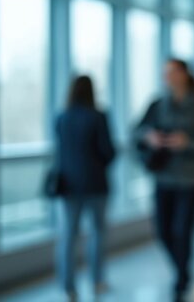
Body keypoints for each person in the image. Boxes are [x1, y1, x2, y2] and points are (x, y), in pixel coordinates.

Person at [135, 59, 194, 300]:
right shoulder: (158, 104)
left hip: (191, 179)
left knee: (183, 231)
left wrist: (187, 143)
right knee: (163, 231)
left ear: (183, 74)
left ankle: (181, 280)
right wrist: (150, 137)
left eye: (171, 72)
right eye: (164, 73)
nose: (167, 77)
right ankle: (183, 270)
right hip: (164, 177)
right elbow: (136, 131)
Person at [53, 76, 117, 301]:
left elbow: (60, 152)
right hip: (96, 184)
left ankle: (68, 286)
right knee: (97, 233)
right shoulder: (98, 117)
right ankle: (97, 281)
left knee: (69, 236)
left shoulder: (62, 118)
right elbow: (108, 151)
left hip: (69, 185)